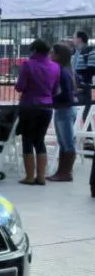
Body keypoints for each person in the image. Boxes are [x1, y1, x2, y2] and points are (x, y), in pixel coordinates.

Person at [14, 39, 60, 185]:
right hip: (47, 107)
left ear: (34, 50)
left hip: (29, 106)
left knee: (27, 140)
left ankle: (29, 176)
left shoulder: (28, 65)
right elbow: (55, 90)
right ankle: (41, 176)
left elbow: (20, 87)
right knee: (40, 140)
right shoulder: (55, 67)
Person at [48, 42, 77, 181]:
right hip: (63, 109)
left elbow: (66, 94)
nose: (49, 55)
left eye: (52, 52)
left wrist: (51, 97)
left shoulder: (62, 71)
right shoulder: (64, 70)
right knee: (63, 141)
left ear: (58, 56)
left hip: (64, 109)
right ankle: (62, 171)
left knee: (67, 142)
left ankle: (65, 172)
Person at [72, 31, 95, 120]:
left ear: (79, 39)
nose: (73, 40)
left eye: (74, 37)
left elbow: (92, 69)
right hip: (75, 86)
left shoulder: (90, 51)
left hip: (83, 86)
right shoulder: (75, 52)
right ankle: (76, 132)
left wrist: (83, 82)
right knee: (76, 112)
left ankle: (86, 132)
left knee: (85, 112)